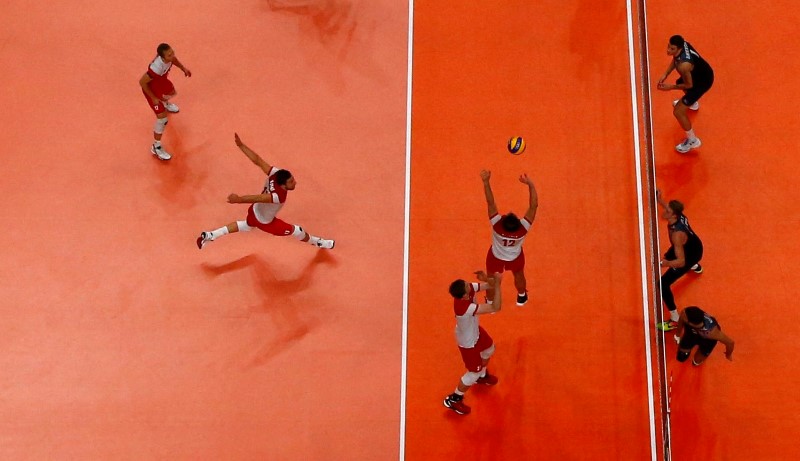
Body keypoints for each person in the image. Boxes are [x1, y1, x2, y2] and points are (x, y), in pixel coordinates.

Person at [196, 133, 335, 250]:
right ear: (283, 185)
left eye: (293, 179)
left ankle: (210, 235)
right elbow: (258, 197)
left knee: (246, 226)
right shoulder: (278, 196)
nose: (295, 182)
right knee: (297, 231)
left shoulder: (275, 173)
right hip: (265, 222)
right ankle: (319, 242)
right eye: (291, 182)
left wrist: (241, 146)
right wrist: (238, 199)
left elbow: (257, 160)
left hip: (254, 211)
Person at [443, 271, 503, 416]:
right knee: (472, 372)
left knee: (489, 349)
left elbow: (489, 285)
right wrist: (497, 287)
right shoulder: (464, 308)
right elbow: (495, 307)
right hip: (468, 342)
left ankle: (481, 375)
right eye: (466, 286)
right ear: (464, 295)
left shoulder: (467, 289)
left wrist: (487, 280)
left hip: (475, 331)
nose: (469, 285)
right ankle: (454, 398)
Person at [480, 170, 539, 306]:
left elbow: (490, 202)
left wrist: (486, 182)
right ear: (518, 223)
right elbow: (533, 206)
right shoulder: (523, 228)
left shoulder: (496, 225)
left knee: (492, 281)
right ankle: (522, 296)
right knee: (519, 275)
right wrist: (530, 185)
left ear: (503, 221)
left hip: (495, 257)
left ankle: (490, 302)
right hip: (515, 258)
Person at [657, 35, 714, 153]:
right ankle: (693, 103)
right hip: (698, 74)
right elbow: (675, 59)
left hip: (702, 82)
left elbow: (689, 86)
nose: (668, 50)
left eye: (672, 49)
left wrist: (670, 88)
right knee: (680, 81)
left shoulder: (684, 66)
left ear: (679, 48)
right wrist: (666, 74)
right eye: (668, 47)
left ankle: (693, 140)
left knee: (678, 111)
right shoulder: (683, 45)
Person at [656, 190, 703, 331]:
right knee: (670, 253)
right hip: (694, 246)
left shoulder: (677, 235)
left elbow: (681, 262)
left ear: (674, 215)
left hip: (688, 256)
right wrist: (661, 200)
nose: (664, 212)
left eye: (667, 211)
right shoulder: (679, 216)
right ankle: (695, 267)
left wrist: (665, 264)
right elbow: (670, 208)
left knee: (662, 283)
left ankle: (675, 319)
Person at [139, 43, 192, 160]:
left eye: (172, 52)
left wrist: (183, 68)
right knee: (162, 119)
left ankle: (166, 104)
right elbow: (142, 82)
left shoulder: (170, 58)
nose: (172, 55)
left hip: (161, 81)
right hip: (150, 89)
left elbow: (174, 60)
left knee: (171, 92)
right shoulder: (155, 68)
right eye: (169, 55)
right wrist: (153, 98)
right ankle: (156, 147)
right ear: (162, 58)